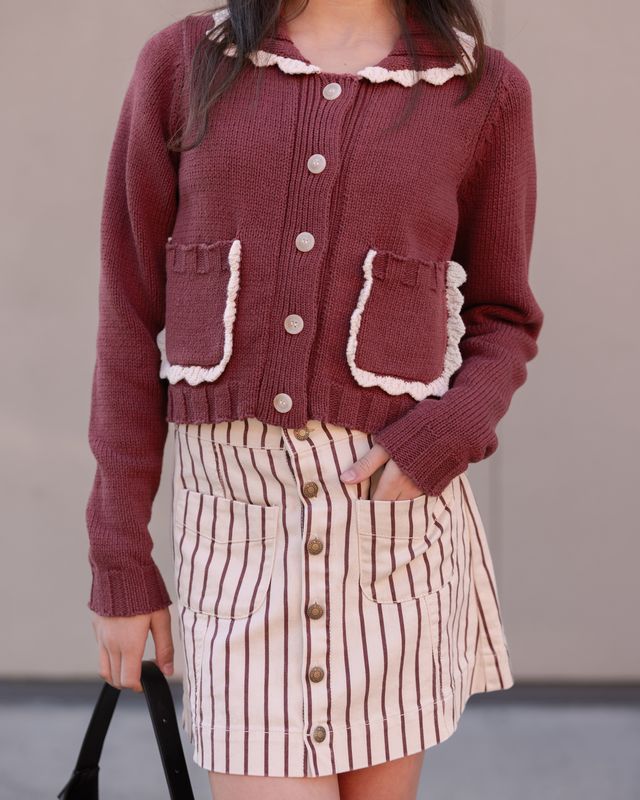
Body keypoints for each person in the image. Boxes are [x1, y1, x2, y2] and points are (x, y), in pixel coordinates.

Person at [86, 1, 544, 797]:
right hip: (235, 537)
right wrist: (120, 558)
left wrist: (448, 432)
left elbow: (505, 316)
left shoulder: (480, 91)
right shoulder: (186, 62)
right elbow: (130, 315)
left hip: (392, 526)